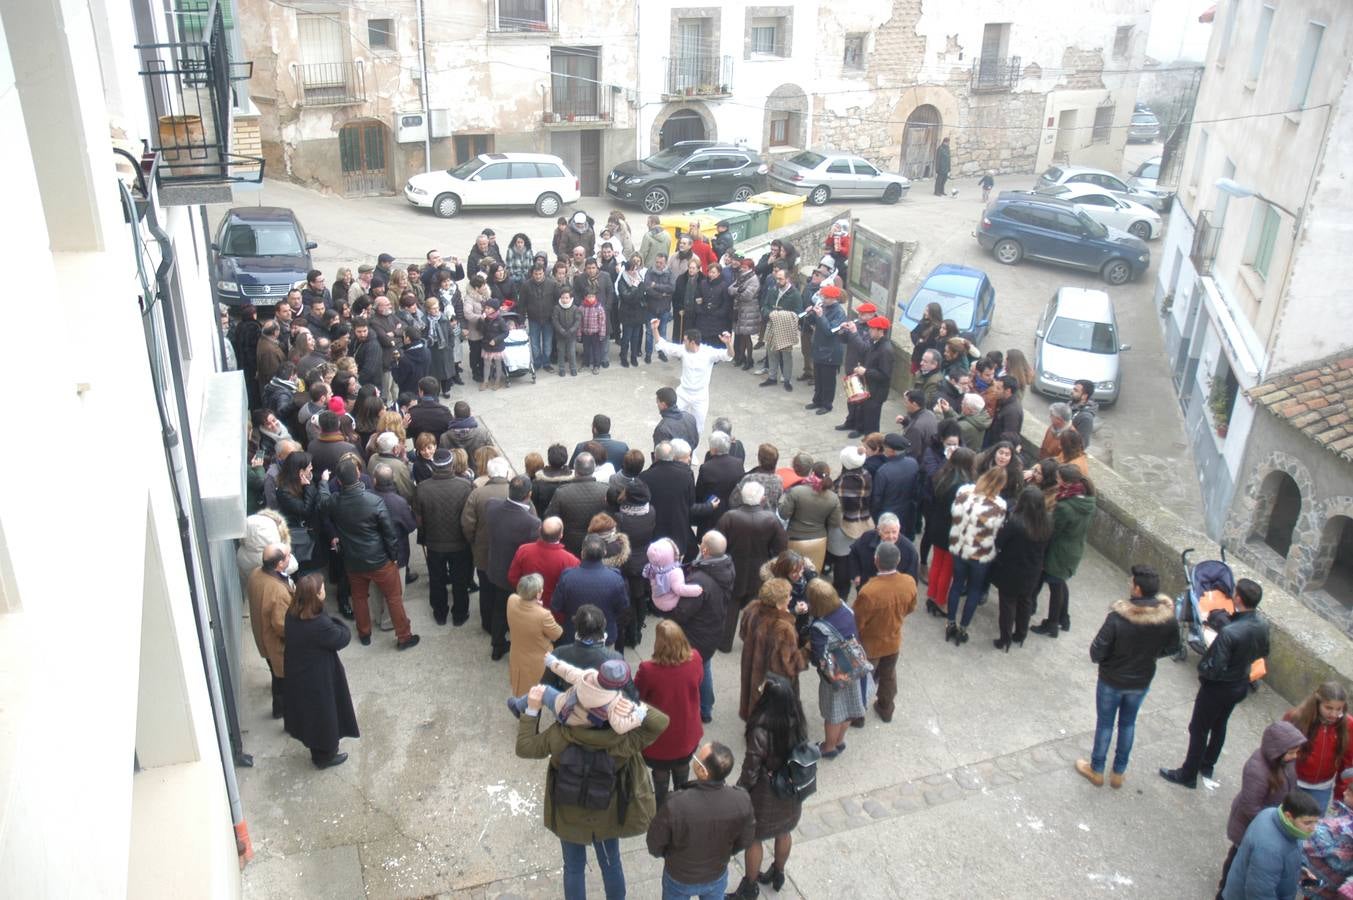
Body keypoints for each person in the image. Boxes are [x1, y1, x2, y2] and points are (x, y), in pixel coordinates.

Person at [514, 681, 669, 900]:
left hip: (568, 813)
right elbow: (661, 721)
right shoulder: (623, 741)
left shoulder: (559, 735)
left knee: (573, 868)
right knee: (611, 864)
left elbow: (525, 747)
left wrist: (531, 709)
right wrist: (626, 703)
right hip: (607, 814)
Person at [1072, 564, 1182, 788]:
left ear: (1138, 589)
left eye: (1132, 582)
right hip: (1141, 680)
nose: (1129, 584)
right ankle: (1118, 773)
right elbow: (1172, 648)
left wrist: (1110, 661)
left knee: (1105, 724)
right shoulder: (1167, 619)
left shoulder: (1117, 618)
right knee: (1128, 724)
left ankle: (1097, 769)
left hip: (1111, 680)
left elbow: (1096, 652)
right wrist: (1150, 655)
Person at [1160, 578, 1272, 789]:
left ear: (1238, 598)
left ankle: (1188, 774)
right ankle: (1207, 764)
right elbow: (1263, 652)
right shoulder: (1262, 625)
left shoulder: (1230, 632)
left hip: (1219, 686)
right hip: (1240, 683)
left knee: (1199, 728)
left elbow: (1215, 667)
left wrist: (1204, 673)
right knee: (1220, 724)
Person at [731, 673, 810, 899]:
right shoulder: (798, 719)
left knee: (754, 839)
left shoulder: (760, 730)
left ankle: (749, 886)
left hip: (765, 795)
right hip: (790, 790)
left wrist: (740, 790)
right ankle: (778, 872)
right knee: (784, 831)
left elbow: (751, 769)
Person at [328, 459, 420, 650]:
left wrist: (321, 483)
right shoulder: (373, 501)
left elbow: (323, 503)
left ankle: (364, 633)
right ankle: (404, 635)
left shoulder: (334, 502)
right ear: (358, 475)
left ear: (338, 481)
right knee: (394, 598)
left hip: (354, 561)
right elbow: (388, 533)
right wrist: (393, 556)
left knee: (359, 598)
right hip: (380, 560)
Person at [646, 739, 755, 900]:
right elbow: (745, 840)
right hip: (716, 874)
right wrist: (726, 853)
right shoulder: (742, 800)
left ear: (703, 772)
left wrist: (671, 856)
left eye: (697, 759)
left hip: (679, 877)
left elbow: (654, 844)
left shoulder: (675, 803)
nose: (694, 759)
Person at [1216, 722, 1308, 894]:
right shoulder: (1257, 769)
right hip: (1249, 825)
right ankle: (1224, 888)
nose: (1295, 756)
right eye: (1292, 752)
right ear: (1278, 750)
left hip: (1269, 820)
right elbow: (1250, 806)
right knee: (1238, 855)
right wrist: (1271, 829)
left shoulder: (1284, 762)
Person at [282, 573, 359, 769]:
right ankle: (326, 755)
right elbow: (342, 638)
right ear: (316, 595)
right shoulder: (318, 625)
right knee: (324, 716)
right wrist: (337, 622)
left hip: (301, 674)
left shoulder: (292, 614)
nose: (325, 590)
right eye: (322, 588)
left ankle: (319, 751)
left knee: (311, 716)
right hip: (318, 678)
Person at [634, 620, 705, 809]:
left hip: (660, 737)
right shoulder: (696, 658)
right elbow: (699, 681)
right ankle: (681, 804)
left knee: (660, 774)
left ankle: (663, 808)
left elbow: (637, 696)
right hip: (686, 733)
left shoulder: (648, 670)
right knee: (682, 768)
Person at [716, 481, 789, 653]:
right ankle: (753, 643)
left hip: (733, 568)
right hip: (759, 570)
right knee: (756, 609)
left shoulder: (729, 517)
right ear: (762, 499)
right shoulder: (771, 520)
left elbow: (718, 544)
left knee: (731, 606)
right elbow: (781, 549)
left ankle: (725, 643)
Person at [1030, 466, 1097, 639]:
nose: (1057, 482)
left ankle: (1052, 624)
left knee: (1055, 587)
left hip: (1059, 552)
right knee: (1060, 583)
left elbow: (1053, 530)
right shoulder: (1088, 501)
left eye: (1059, 479)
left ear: (1066, 482)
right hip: (1073, 549)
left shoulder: (1065, 507)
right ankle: (1063, 618)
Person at [853, 542, 917, 724]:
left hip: (870, 646)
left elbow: (857, 622)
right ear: (898, 560)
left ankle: (858, 715)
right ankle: (886, 709)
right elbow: (911, 608)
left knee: (864, 680)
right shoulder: (909, 582)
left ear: (876, 560)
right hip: (894, 641)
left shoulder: (869, 591)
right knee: (889, 676)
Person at [944, 467, 1007, 646]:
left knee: (956, 585)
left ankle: (950, 622)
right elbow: (997, 530)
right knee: (974, 590)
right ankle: (963, 628)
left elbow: (954, 515)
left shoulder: (963, 493)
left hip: (959, 548)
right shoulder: (998, 506)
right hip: (980, 554)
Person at [1221, 789, 1320, 900]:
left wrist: (1300, 867)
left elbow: (1292, 848)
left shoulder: (1273, 814)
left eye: (1315, 822)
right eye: (1307, 823)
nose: (1313, 828)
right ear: (1288, 816)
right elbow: (1259, 894)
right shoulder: (1269, 851)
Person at [414, 448, 474, 626]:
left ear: (433, 465)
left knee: (437, 579)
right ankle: (460, 614)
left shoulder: (423, 488)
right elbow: (470, 516)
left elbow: (418, 518)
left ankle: (440, 613)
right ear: (451, 464)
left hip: (434, 544)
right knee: (460, 580)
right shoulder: (465, 486)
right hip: (460, 544)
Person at [484, 476, 541, 660]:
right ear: (529, 495)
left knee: (499, 608)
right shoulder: (532, 523)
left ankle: (497, 645)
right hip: (518, 577)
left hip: (496, 570)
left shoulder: (491, 506)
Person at [806, 579, 864, 760]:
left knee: (833, 712)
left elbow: (817, 658)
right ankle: (839, 741)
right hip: (853, 666)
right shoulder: (845, 609)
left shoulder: (819, 627)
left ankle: (829, 747)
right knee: (848, 707)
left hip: (835, 674)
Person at [989, 486, 1053, 650]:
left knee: (1008, 603)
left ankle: (1005, 638)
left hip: (1011, 569)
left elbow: (999, 542)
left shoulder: (1016, 522)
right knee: (1025, 601)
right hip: (1033, 570)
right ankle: (1021, 634)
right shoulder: (1047, 522)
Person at [738, 578, 807, 721]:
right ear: (778, 603)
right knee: (771, 715)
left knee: (754, 702)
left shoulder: (752, 610)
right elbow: (789, 665)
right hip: (773, 678)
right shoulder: (783, 628)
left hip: (753, 669)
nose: (791, 598)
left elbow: (743, 634)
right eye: (788, 596)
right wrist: (807, 651)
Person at [649, 323, 735, 437]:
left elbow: (729, 355)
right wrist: (655, 329)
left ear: (692, 342)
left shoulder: (709, 353)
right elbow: (664, 345)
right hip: (683, 393)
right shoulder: (683, 350)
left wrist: (728, 343)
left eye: (685, 341)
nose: (683, 343)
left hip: (700, 396)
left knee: (698, 427)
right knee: (672, 420)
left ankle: (692, 452)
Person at [1283, 682, 1353, 814]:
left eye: (1339, 709)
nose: (1334, 714)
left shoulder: (1348, 724)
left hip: (1322, 788)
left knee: (1313, 827)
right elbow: (1280, 750)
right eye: (1328, 708)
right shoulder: (1296, 717)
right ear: (1317, 703)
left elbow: (1347, 763)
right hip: (1293, 782)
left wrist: (1340, 795)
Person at [553, 535, 632, 650]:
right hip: (605, 636)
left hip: (574, 636)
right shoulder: (615, 578)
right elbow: (622, 608)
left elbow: (557, 605)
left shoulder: (568, 577)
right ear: (604, 553)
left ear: (582, 553)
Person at [247, 543, 294, 719]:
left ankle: (280, 709)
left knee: (277, 676)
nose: (291, 558)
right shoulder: (278, 591)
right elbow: (283, 627)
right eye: (288, 556)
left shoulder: (256, 573)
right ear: (280, 563)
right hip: (276, 645)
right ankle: (284, 711)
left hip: (262, 637)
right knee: (283, 679)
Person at [509, 516, 580, 616]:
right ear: (561, 535)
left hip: (526, 606)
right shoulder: (571, 561)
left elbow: (513, 577)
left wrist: (527, 594)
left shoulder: (524, 550)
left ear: (539, 531)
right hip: (554, 614)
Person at [779, 461, 842, 573]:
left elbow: (783, 514)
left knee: (791, 573)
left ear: (812, 473)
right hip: (818, 541)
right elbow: (835, 522)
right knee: (812, 575)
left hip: (795, 538)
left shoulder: (797, 491)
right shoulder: (833, 498)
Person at [506, 573, 564, 695]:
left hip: (516, 655)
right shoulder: (543, 615)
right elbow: (557, 633)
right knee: (533, 697)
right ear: (538, 594)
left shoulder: (512, 600)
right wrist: (542, 609)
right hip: (535, 663)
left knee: (519, 689)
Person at [546, 453, 611, 555]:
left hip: (570, 544)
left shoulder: (562, 492)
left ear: (575, 469)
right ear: (593, 468)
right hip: (598, 543)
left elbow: (550, 517)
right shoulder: (606, 490)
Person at [1302, 780, 1353, 898]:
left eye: (1350, 792)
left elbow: (1308, 842)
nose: (1344, 792)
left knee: (1312, 891)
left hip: (1321, 877)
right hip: (1337, 879)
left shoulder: (1339, 826)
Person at [758, 265, 803, 393]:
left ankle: (787, 380)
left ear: (788, 279)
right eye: (777, 279)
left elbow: (798, 313)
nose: (778, 281)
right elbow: (765, 306)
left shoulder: (795, 295)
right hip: (773, 324)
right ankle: (772, 377)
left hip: (786, 328)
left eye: (781, 279)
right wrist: (769, 313)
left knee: (786, 355)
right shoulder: (773, 290)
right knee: (771, 351)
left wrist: (782, 314)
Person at [803, 286, 847, 416]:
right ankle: (817, 400)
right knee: (819, 378)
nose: (823, 299)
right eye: (823, 297)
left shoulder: (839, 312)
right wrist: (809, 314)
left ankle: (827, 404)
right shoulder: (824, 306)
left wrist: (821, 316)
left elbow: (830, 331)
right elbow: (813, 323)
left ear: (833, 298)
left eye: (825, 297)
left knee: (828, 381)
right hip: (819, 348)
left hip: (831, 352)